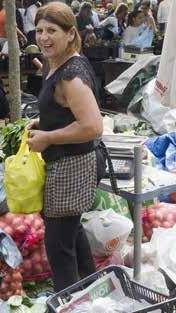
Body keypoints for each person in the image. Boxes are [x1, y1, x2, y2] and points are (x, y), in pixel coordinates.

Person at [24, 2, 103, 291]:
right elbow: (66, 113)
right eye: (39, 30)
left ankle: (70, 308)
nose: (43, 37)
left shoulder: (70, 75)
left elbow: (92, 126)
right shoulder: (59, 64)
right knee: (71, 232)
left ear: (70, 34)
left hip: (73, 165)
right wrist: (43, 126)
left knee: (59, 245)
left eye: (52, 31)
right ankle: (90, 292)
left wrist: (48, 137)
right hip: (68, 161)